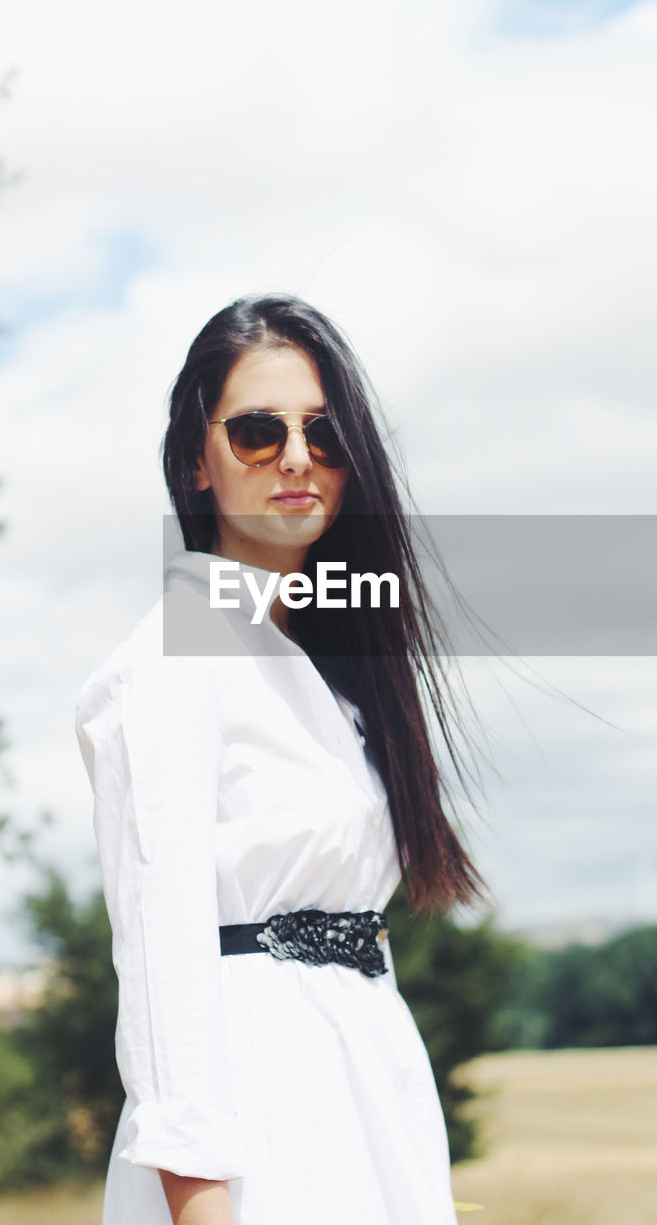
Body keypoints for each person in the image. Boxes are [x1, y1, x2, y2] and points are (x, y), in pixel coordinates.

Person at [75, 294, 485, 1225]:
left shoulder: (336, 680)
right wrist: (201, 1203)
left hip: (365, 1094)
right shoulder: (173, 666)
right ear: (198, 462)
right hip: (255, 1132)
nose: (298, 457)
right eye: (258, 432)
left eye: (325, 431)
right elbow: (162, 966)